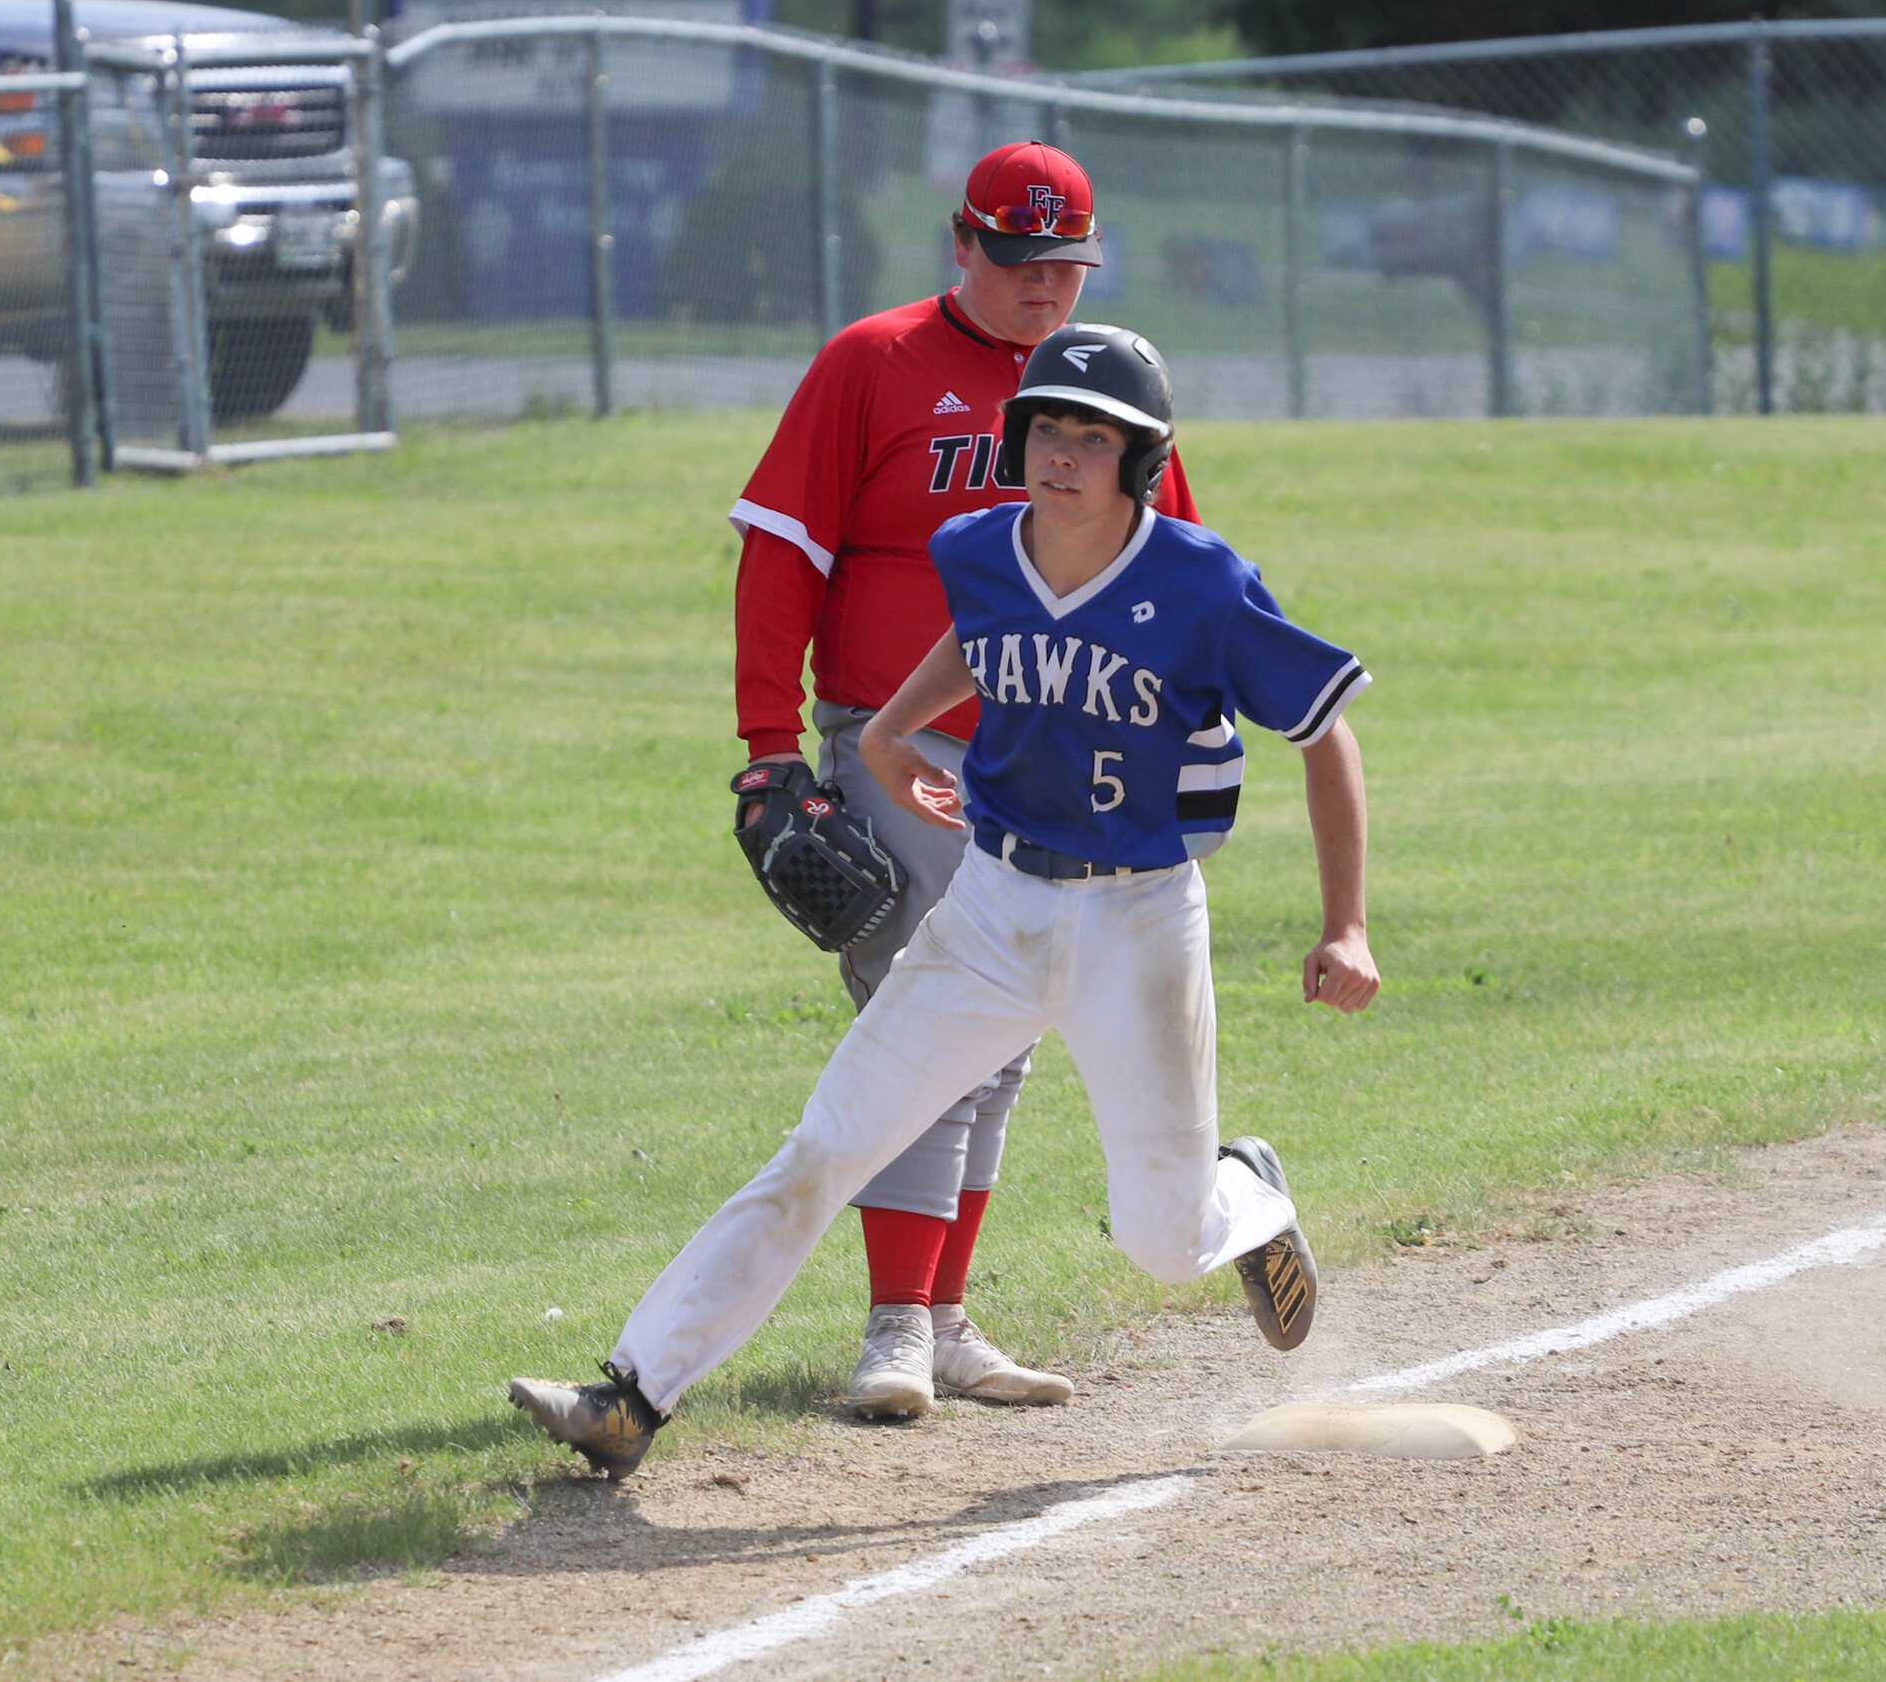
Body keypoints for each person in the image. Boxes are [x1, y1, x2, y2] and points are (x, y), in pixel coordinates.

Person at [512, 323, 1381, 1478]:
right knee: (827, 1147)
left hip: (1139, 924)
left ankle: (1249, 1196)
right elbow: (985, 636)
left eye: (1092, 436)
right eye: (1045, 429)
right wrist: (884, 732)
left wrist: (1347, 924)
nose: (1061, 454)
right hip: (992, 909)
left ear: (1143, 458)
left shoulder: (1201, 582)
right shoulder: (978, 546)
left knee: (1163, 1241)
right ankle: (633, 1397)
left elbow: (1325, 735)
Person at [726, 141, 1203, 1419]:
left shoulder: (1106, 382)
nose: (1043, 290)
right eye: (1016, 260)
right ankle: (895, 1325)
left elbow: (1179, 563)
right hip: (901, 738)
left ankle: (941, 1320)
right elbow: (782, 556)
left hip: (1055, 753)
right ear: (961, 242)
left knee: (999, 1043)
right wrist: (769, 746)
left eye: (1065, 265)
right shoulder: (872, 364)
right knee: (925, 1011)